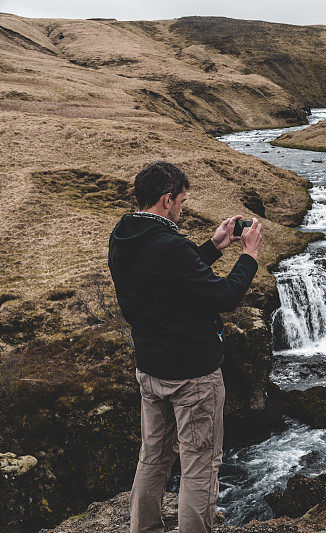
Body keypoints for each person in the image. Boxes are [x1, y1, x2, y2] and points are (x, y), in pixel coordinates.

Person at [107, 161, 263, 533]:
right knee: (199, 464)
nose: (181, 207)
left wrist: (211, 246)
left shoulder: (124, 234)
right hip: (193, 375)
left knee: (153, 458)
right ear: (166, 199)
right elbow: (223, 296)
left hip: (150, 367)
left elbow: (166, 277)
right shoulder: (170, 245)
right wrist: (248, 256)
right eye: (180, 201)